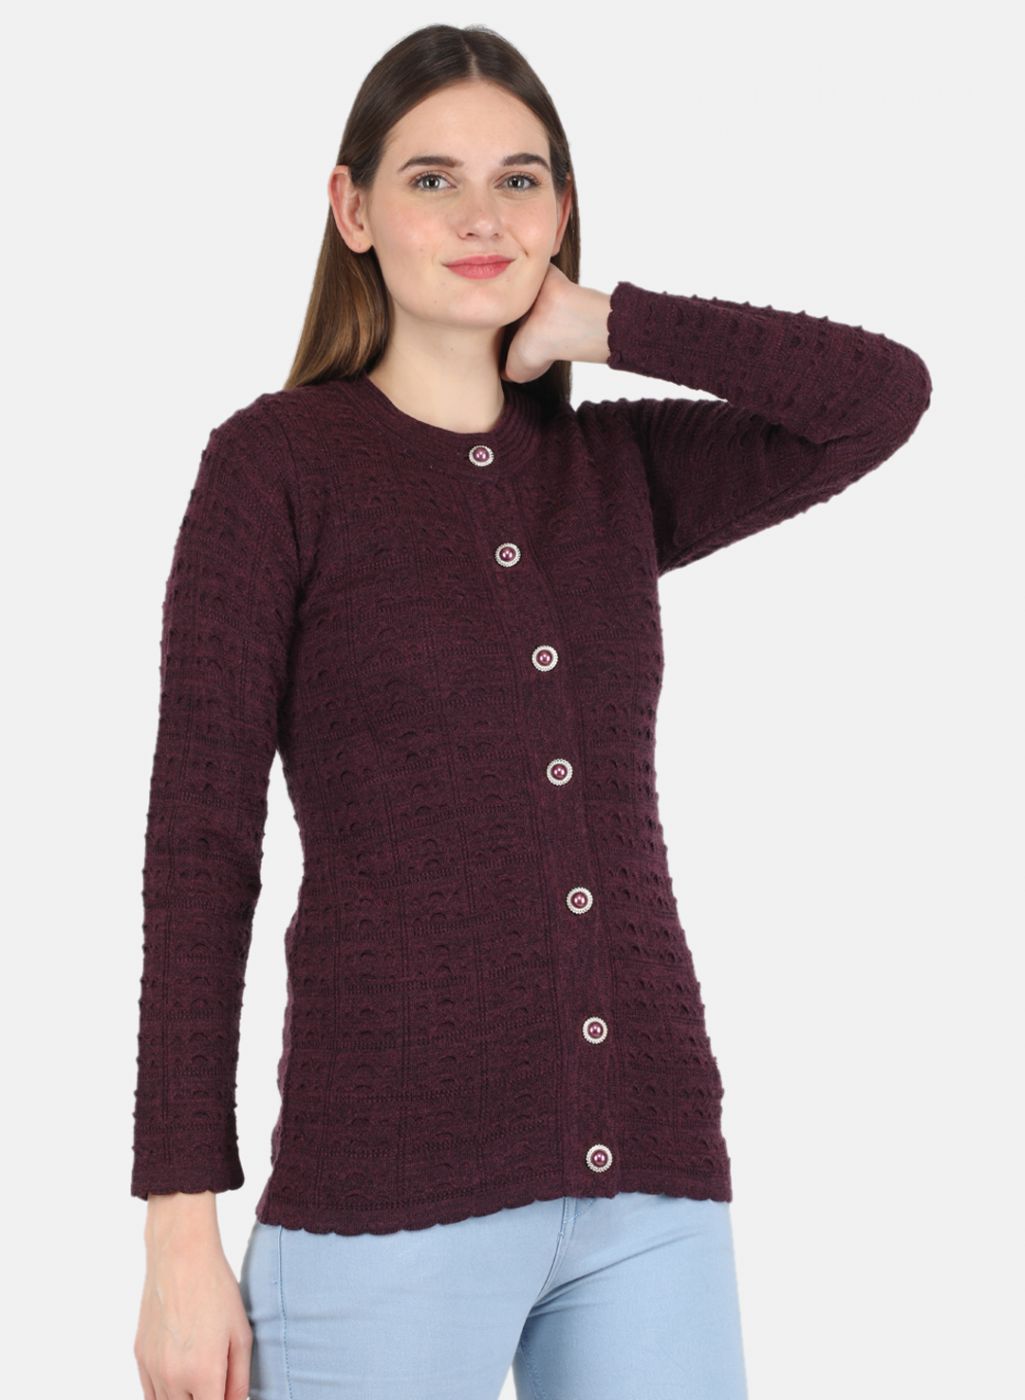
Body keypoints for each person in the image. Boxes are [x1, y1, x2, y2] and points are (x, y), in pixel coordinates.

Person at [131, 23, 932, 1400]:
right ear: (352, 210)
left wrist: (609, 324)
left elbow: (877, 398)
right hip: (386, 1194)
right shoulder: (276, 467)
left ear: (562, 209)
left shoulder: (613, 467)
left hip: (650, 1193)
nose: (481, 216)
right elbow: (199, 851)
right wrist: (177, 1234)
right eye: (431, 179)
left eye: (520, 178)